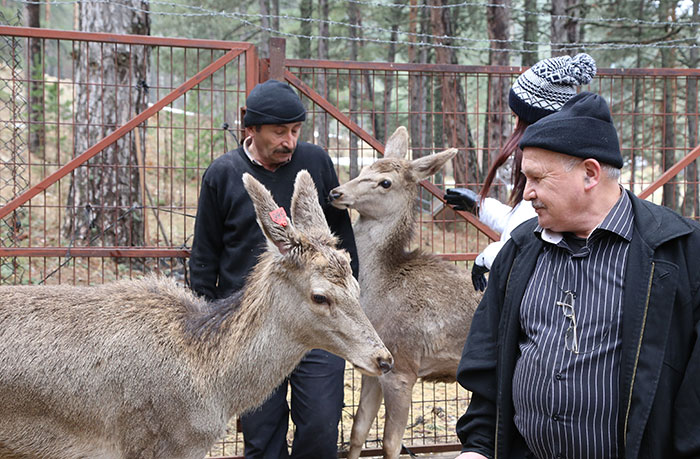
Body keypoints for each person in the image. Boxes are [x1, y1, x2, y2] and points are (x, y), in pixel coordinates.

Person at [453, 92, 700, 459]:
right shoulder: (521, 248)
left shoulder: (679, 252)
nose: (529, 193)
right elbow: (488, 363)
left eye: (537, 178)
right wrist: (478, 449)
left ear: (590, 174)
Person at [189, 79, 359, 458]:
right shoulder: (223, 173)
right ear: (251, 128)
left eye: (296, 131)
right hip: (250, 330)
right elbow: (204, 255)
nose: (290, 141)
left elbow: (341, 238)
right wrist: (208, 329)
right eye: (279, 132)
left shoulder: (314, 162)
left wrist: (348, 300)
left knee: (320, 422)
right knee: (261, 434)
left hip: (317, 318)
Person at [444, 53, 596, 292]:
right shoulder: (558, 164)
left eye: (517, 118)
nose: (514, 126)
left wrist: (488, 256)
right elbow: (526, 221)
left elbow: (530, 252)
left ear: (534, 122)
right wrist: (478, 206)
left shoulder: (552, 175)